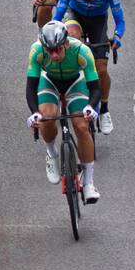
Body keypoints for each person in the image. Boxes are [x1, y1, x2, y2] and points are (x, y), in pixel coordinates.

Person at [26, 19, 101, 203]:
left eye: (57, 49)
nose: (54, 54)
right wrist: (35, 113)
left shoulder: (82, 51)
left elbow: (95, 87)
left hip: (75, 83)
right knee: (47, 117)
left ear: (65, 43)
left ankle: (89, 182)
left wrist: (91, 107)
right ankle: (52, 153)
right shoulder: (36, 51)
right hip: (49, 81)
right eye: (49, 50)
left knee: (81, 126)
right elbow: (30, 88)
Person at [53, 0, 124, 135]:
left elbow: (120, 20)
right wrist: (54, 34)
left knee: (101, 69)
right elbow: (58, 14)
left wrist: (117, 37)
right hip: (75, 15)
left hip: (98, 20)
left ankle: (104, 110)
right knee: (72, 35)